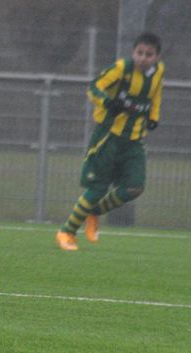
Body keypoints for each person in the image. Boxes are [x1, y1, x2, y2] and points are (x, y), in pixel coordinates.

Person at [55, 31, 165, 251]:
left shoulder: (158, 73)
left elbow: (156, 95)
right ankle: (67, 231)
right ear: (133, 52)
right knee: (97, 187)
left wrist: (154, 117)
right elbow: (93, 87)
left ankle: (94, 212)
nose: (143, 58)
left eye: (149, 54)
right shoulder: (122, 69)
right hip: (109, 136)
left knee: (135, 187)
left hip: (134, 140)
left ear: (157, 57)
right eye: (140, 53)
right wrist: (106, 102)